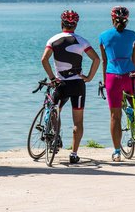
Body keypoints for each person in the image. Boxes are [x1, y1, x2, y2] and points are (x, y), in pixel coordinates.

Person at [41, 9, 100, 164]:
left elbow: (44, 60)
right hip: (78, 84)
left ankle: (55, 137)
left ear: (62, 23)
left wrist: (52, 78)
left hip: (61, 83)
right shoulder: (82, 41)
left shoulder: (53, 40)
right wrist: (89, 77)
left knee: (54, 110)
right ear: (76, 25)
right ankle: (73, 153)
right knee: (78, 122)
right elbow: (96, 59)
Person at [99, 6, 135, 162]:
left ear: (112, 19)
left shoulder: (103, 36)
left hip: (113, 77)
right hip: (130, 75)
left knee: (115, 116)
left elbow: (105, 61)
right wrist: (133, 73)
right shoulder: (133, 35)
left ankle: (117, 152)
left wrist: (104, 80)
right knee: (133, 97)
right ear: (127, 21)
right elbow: (134, 59)